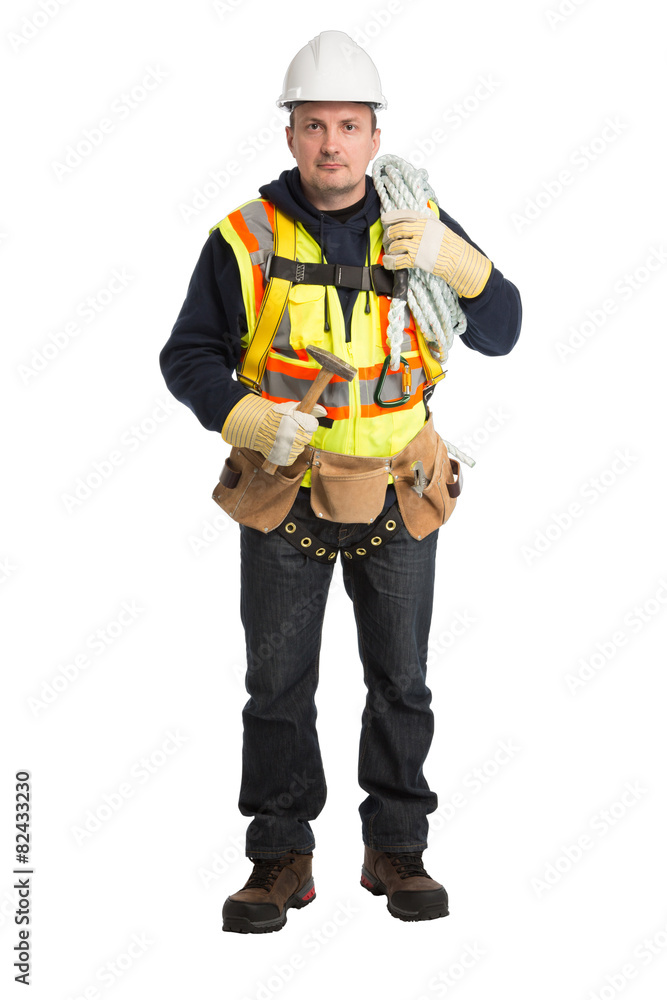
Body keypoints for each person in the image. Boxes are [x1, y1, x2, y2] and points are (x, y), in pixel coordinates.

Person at [159, 30, 521, 934]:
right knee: (276, 684)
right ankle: (280, 856)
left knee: (402, 680)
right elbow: (188, 355)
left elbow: (502, 326)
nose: (332, 145)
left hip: (402, 488)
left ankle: (396, 847)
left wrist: (459, 263)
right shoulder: (243, 237)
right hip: (286, 493)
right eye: (314, 126)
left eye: (350, 126)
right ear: (290, 135)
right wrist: (242, 415)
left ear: (373, 134)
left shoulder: (417, 224)